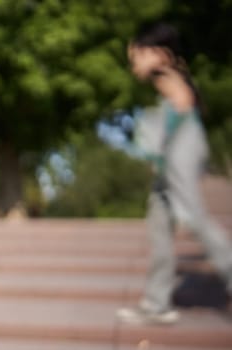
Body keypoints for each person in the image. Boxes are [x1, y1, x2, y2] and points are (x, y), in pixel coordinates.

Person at [117, 21, 232, 325]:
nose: (134, 66)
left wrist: (161, 147)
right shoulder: (169, 70)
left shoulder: (167, 70)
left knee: (191, 215)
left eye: (137, 57)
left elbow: (183, 103)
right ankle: (157, 304)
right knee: (159, 219)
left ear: (158, 54)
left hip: (183, 141)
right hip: (177, 140)